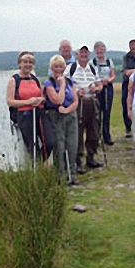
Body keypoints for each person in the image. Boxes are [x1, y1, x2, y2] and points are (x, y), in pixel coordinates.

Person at [6, 51, 55, 162]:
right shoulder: (14, 80)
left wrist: (40, 100)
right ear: (19, 64)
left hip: (39, 113)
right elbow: (10, 101)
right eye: (25, 62)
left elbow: (43, 96)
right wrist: (28, 102)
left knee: (50, 141)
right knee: (32, 144)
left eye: (30, 62)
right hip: (24, 115)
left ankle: (41, 160)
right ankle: (36, 167)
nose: (28, 64)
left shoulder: (35, 79)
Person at [66, 45, 103, 173]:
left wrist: (96, 88)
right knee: (78, 132)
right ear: (77, 54)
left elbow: (100, 85)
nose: (84, 54)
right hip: (78, 103)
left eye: (86, 52)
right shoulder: (71, 68)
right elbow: (64, 85)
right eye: (81, 52)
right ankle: (77, 161)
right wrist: (75, 91)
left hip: (92, 101)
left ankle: (91, 157)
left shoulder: (92, 68)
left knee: (94, 131)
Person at [45, 55, 80, 184]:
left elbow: (75, 101)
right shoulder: (49, 83)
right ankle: (60, 175)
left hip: (70, 115)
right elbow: (57, 100)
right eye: (56, 66)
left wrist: (68, 109)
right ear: (52, 68)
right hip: (56, 116)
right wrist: (62, 84)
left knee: (72, 144)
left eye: (61, 66)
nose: (58, 69)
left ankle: (72, 174)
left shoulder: (71, 82)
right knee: (59, 145)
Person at [90, 41, 116, 145]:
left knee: (106, 112)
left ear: (105, 50)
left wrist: (108, 80)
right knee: (96, 113)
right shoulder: (92, 62)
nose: (100, 51)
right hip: (97, 88)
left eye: (101, 48)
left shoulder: (109, 61)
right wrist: (98, 82)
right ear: (95, 50)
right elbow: (91, 75)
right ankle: (96, 136)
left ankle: (106, 135)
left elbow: (113, 75)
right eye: (97, 48)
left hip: (107, 88)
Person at [121, 39, 135, 138]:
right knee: (126, 105)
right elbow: (125, 72)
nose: (134, 48)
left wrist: (133, 71)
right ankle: (128, 128)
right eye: (132, 46)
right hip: (127, 83)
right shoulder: (126, 57)